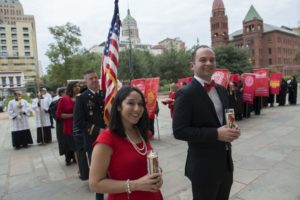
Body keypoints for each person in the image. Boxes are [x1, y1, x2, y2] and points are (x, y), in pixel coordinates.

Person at [172, 46, 240, 200]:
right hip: (203, 167)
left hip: (225, 163)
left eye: (212, 60)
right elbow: (179, 131)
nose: (208, 63)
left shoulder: (222, 90)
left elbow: (224, 119)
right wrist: (216, 133)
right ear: (192, 65)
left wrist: (232, 129)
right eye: (203, 60)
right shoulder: (185, 93)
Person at [89, 86, 163, 200]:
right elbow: (95, 184)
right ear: (119, 106)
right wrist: (136, 185)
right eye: (131, 103)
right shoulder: (107, 139)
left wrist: (157, 175)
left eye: (140, 104)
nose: (137, 108)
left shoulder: (142, 132)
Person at [73, 70, 106, 199]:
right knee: (99, 174)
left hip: (110, 138)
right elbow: (79, 122)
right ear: (86, 82)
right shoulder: (82, 98)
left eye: (95, 78)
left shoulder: (105, 94)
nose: (94, 80)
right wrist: (98, 130)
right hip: (94, 141)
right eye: (90, 78)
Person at [56, 81, 80, 166]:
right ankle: (80, 169)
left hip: (82, 127)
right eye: (75, 86)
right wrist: (73, 115)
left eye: (78, 86)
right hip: (70, 128)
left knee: (82, 149)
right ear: (70, 88)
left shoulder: (81, 97)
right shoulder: (64, 99)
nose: (77, 88)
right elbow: (59, 115)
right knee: (76, 149)